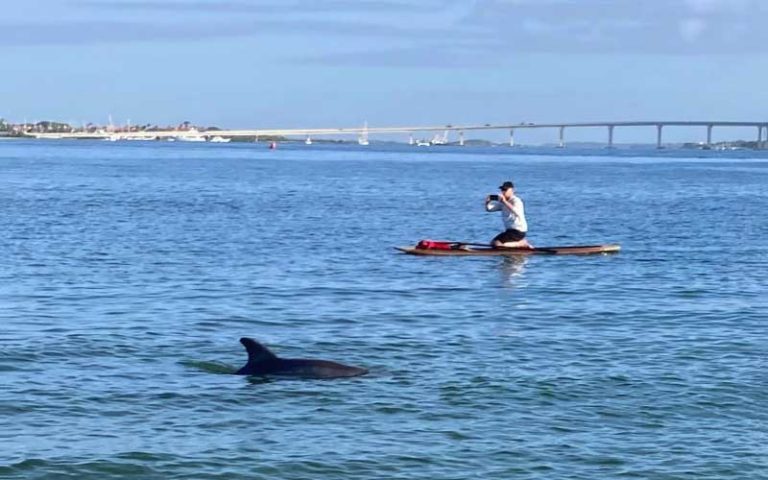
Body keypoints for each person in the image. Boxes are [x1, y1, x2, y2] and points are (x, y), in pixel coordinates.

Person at [485, 180, 532, 248]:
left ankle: (521, 243)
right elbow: (489, 209)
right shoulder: (503, 202)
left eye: (505, 190)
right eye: (502, 190)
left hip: (518, 231)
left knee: (497, 244)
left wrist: (504, 202)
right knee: (493, 243)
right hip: (510, 231)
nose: (503, 192)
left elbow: (516, 211)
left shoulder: (516, 201)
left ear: (512, 190)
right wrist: (487, 202)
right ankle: (517, 244)